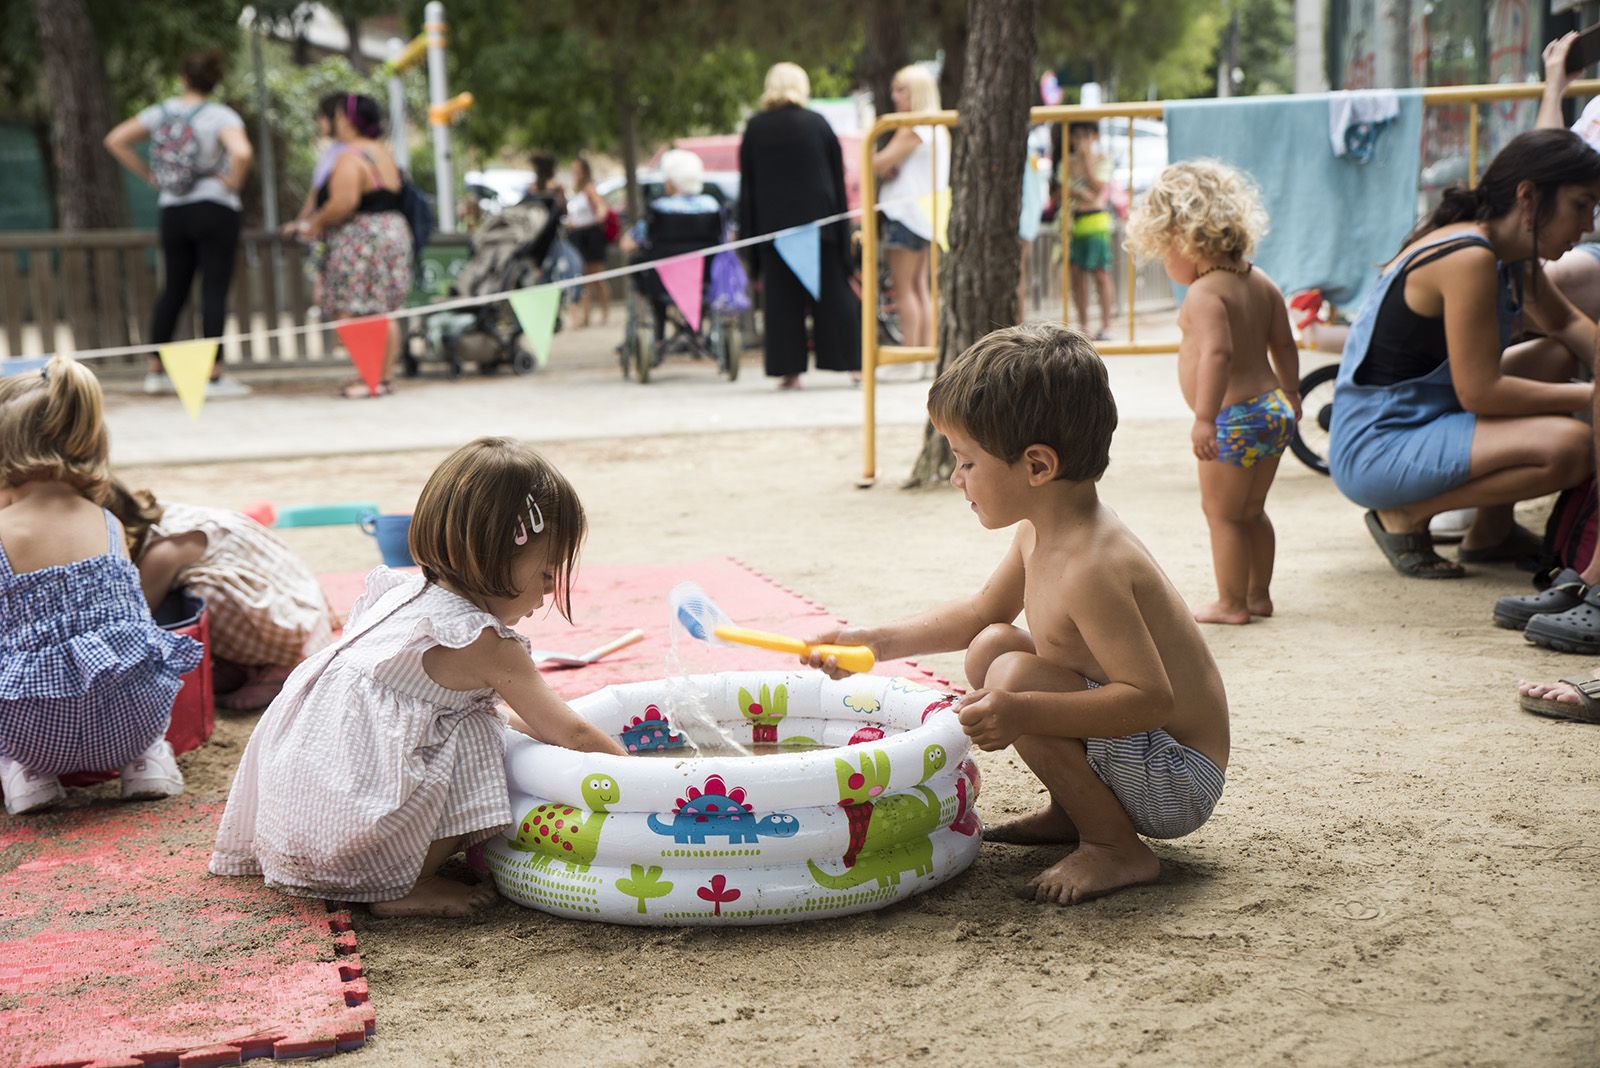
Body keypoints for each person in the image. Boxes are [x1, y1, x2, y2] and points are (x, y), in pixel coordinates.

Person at [803, 324, 1230, 904]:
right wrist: (871, 642)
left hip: (1175, 777)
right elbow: (981, 614)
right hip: (1139, 748)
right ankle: (1076, 810)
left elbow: (1150, 699)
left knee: (1013, 675)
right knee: (993, 646)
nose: (955, 478)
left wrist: (1022, 708)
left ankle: (1115, 846)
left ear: (1037, 466)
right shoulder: (1042, 529)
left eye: (966, 462)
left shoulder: (1092, 565)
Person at [210, 437, 627, 917]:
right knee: (477, 731)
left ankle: (391, 867)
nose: (550, 590)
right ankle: (405, 886)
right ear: (496, 554)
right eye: (548, 573)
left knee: (479, 719)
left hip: (297, 822)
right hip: (351, 842)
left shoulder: (405, 596)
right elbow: (573, 735)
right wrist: (640, 778)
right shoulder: (484, 641)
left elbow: (528, 720)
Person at [1327, 129, 1600, 579]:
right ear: (1528, 197)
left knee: (1555, 356)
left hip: (1427, 411)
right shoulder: (1467, 256)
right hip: (1376, 444)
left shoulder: (1508, 251)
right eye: (1581, 205)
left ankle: (1491, 532)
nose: (1588, 225)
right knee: (1572, 448)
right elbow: (1481, 393)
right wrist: (1591, 394)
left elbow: (1566, 323)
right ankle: (1406, 514)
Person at [0, 357, 202, 817]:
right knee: (137, 655)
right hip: (132, 723)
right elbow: (135, 626)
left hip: (32, 736)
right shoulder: (108, 522)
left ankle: (25, 774)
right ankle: (146, 761)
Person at [1126, 161, 1301, 624]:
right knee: (1252, 510)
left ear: (1186, 238)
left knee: (1222, 515)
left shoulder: (1205, 294)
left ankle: (1231, 603)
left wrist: (1205, 418)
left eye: (1165, 252)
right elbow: (1284, 344)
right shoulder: (1261, 281)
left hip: (1233, 419)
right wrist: (1293, 393)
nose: (1166, 264)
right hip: (1272, 410)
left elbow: (1217, 354)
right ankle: (1259, 595)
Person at [105, 479, 337, 711]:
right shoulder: (158, 515)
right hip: (300, 596)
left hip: (294, 625)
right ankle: (243, 665)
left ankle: (281, 667)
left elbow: (136, 617)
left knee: (200, 595)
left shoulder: (163, 551)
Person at [104, 49, 253, 399]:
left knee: (174, 287)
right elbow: (242, 152)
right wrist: (233, 181)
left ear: (182, 78)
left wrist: (150, 176)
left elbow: (115, 140)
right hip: (215, 206)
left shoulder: (161, 112)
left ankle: (156, 371)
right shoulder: (221, 115)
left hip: (174, 208)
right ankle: (213, 375)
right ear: (214, 82)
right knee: (213, 289)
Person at [739, 61, 861, 390]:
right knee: (835, 297)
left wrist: (750, 240)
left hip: (773, 230)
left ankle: (789, 372)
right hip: (822, 225)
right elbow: (837, 180)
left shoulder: (755, 127)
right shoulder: (818, 123)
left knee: (782, 303)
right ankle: (854, 365)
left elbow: (747, 187)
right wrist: (842, 227)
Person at [297, 93, 412, 399]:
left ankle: (371, 377)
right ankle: (381, 377)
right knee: (380, 310)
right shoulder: (382, 151)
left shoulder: (350, 156)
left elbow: (343, 203)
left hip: (362, 239)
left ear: (347, 120)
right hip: (392, 231)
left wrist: (317, 222)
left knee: (353, 311)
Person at [872, 64, 949, 362]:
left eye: (901, 89)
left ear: (917, 92)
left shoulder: (912, 128)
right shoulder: (938, 127)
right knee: (920, 287)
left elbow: (877, 163)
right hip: (926, 216)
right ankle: (924, 353)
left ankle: (910, 355)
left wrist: (879, 162)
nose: (894, 96)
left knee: (905, 289)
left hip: (905, 214)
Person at [620, 149, 724, 354]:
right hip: (703, 277)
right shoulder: (712, 206)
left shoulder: (659, 209)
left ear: (671, 182)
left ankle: (659, 336)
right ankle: (696, 331)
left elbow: (628, 243)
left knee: (651, 282)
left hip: (661, 280)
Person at [1066, 121, 1115, 340]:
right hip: (1075, 222)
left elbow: (1097, 188)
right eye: (1077, 136)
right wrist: (1078, 193)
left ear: (1094, 137)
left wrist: (1086, 160)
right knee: (1077, 275)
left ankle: (1106, 326)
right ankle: (1083, 325)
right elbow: (1060, 190)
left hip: (1096, 222)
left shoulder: (1102, 160)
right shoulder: (1067, 162)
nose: (1081, 141)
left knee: (1100, 273)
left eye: (1086, 136)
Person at [565, 158, 611, 328]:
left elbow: (602, 208)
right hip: (578, 236)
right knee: (583, 278)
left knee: (597, 277)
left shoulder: (589, 188)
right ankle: (585, 317)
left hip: (591, 236)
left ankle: (605, 313)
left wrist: (597, 217)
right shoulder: (574, 191)